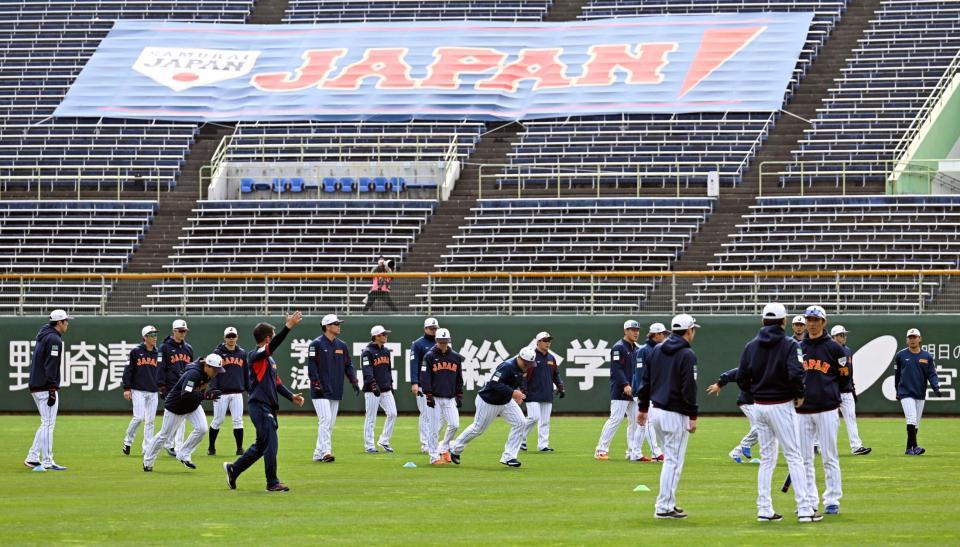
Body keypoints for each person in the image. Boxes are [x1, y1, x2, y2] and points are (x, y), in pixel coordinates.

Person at [736, 303, 819, 523]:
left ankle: (764, 508)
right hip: (781, 405)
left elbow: (742, 378)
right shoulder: (790, 344)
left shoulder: (750, 346)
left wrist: (755, 391)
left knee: (766, 459)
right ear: (784, 321)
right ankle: (804, 509)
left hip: (760, 406)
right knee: (794, 456)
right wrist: (799, 393)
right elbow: (796, 372)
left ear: (763, 321)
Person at [224, 312, 306, 492]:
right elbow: (273, 346)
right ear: (268, 338)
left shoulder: (269, 359)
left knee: (262, 446)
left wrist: (291, 396)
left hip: (267, 406)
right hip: (259, 405)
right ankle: (272, 482)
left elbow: (277, 383)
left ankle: (234, 468)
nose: (275, 338)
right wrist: (288, 327)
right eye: (273, 335)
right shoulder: (255, 355)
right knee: (271, 442)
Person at [637, 314, 700, 519]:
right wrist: (693, 414)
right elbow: (688, 387)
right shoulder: (687, 355)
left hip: (656, 410)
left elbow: (645, 381)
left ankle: (668, 502)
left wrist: (643, 408)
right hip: (675, 413)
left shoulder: (656, 350)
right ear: (689, 330)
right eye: (693, 329)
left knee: (669, 460)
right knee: (673, 461)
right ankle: (663, 507)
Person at [797, 305, 849, 516]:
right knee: (804, 458)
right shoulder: (797, 347)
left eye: (816, 320)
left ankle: (832, 499)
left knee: (829, 455)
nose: (812, 323)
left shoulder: (835, 348)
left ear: (823, 322)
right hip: (802, 410)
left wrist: (836, 398)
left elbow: (845, 377)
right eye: (809, 319)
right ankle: (809, 500)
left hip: (827, 408)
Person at [449, 347, 536, 467]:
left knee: (520, 422)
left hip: (505, 401)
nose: (528, 366)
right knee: (478, 429)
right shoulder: (506, 366)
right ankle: (455, 448)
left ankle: (509, 457)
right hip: (488, 400)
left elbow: (518, 380)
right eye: (526, 363)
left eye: (530, 364)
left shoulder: (523, 367)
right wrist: (513, 393)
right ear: (520, 358)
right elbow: (494, 383)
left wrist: (518, 392)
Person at [143, 354, 224, 471]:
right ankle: (147, 462)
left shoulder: (207, 372)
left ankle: (183, 454)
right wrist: (205, 395)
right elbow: (186, 394)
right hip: (176, 406)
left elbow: (197, 392)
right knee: (164, 435)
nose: (217, 373)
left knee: (202, 429)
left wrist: (204, 395)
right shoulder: (193, 374)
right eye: (215, 370)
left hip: (192, 405)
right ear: (207, 366)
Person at [307, 313, 360, 462]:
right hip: (320, 390)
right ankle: (326, 452)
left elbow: (348, 365)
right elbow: (312, 366)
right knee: (325, 420)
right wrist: (315, 382)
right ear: (327, 326)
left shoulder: (342, 345)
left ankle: (317, 453)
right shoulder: (316, 344)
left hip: (336, 389)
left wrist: (354, 380)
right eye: (336, 324)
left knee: (329, 424)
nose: (339, 326)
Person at [24, 309, 72, 471]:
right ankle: (47, 461)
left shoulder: (45, 334)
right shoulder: (53, 339)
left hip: (37, 385)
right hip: (45, 386)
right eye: (66, 321)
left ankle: (32, 456)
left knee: (45, 423)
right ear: (59, 323)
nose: (68, 323)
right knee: (48, 423)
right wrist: (52, 388)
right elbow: (50, 365)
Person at [595, 320, 641, 461]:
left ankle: (631, 451)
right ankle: (600, 450)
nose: (636, 332)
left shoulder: (636, 348)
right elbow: (616, 369)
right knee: (616, 419)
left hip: (633, 390)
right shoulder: (618, 347)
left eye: (637, 330)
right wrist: (625, 384)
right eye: (632, 330)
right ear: (625, 331)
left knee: (634, 421)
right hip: (620, 390)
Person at [894, 328, 942, 455]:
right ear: (906, 340)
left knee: (916, 423)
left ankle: (909, 449)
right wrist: (897, 391)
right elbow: (897, 374)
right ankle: (915, 446)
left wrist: (936, 387)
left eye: (915, 337)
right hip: (905, 392)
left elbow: (932, 374)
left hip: (920, 393)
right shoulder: (901, 355)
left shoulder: (927, 356)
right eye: (910, 337)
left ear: (920, 339)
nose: (912, 339)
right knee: (911, 418)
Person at [420, 328, 464, 465]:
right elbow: (425, 376)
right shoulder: (429, 356)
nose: (443, 344)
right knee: (434, 428)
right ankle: (433, 457)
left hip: (450, 397)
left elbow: (459, 377)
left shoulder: (455, 357)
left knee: (455, 425)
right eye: (441, 341)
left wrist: (459, 393)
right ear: (436, 341)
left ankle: (444, 447)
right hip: (435, 397)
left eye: (445, 341)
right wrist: (428, 394)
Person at [830, 325, 871, 456]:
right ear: (834, 337)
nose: (844, 337)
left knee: (851, 418)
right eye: (841, 335)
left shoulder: (848, 350)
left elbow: (849, 372)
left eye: (844, 334)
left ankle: (856, 447)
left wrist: (852, 387)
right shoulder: (828, 350)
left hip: (846, 391)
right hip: (832, 391)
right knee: (827, 420)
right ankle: (816, 445)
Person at [521, 331, 565, 453]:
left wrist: (560, 385)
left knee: (545, 421)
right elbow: (523, 374)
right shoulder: (531, 356)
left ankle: (543, 445)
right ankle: (521, 439)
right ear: (538, 342)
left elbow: (556, 374)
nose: (548, 343)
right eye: (545, 340)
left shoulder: (551, 358)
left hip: (547, 393)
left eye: (549, 340)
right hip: (532, 393)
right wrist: (523, 389)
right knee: (533, 418)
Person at [208, 326, 249, 456]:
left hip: (237, 392)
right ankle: (211, 447)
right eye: (229, 336)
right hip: (221, 393)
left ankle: (239, 448)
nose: (231, 338)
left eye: (233, 336)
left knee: (238, 420)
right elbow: (213, 372)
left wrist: (249, 388)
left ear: (237, 337)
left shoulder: (242, 353)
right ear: (225, 338)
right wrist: (214, 389)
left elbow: (245, 373)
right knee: (217, 420)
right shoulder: (217, 353)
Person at [157, 319, 194, 457]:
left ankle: (177, 446)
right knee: (171, 420)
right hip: (171, 387)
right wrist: (161, 386)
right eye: (180, 331)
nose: (183, 333)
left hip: (184, 387)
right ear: (174, 331)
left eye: (184, 331)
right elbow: (160, 368)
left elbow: (192, 369)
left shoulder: (188, 348)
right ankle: (166, 444)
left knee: (181, 418)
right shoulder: (164, 347)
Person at [122, 325, 160, 456]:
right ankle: (128, 441)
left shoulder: (158, 353)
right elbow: (128, 370)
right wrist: (126, 388)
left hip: (153, 391)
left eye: (155, 334)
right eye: (151, 335)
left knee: (150, 420)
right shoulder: (136, 351)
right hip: (138, 389)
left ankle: (147, 448)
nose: (154, 337)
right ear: (145, 337)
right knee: (138, 418)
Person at [706, 367, 757, 464]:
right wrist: (718, 385)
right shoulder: (747, 368)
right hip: (747, 402)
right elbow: (728, 375)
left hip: (760, 403)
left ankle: (736, 453)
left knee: (763, 432)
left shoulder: (769, 369)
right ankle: (745, 444)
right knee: (760, 426)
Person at [631, 323, 666, 462]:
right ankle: (656, 452)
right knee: (649, 421)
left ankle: (635, 453)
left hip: (653, 391)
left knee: (642, 424)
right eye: (663, 333)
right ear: (656, 335)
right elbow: (640, 375)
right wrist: (642, 394)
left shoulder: (658, 349)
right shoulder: (644, 350)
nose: (664, 336)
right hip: (645, 392)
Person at [361, 325, 398, 453]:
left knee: (393, 413)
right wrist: (373, 384)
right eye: (383, 334)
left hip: (386, 388)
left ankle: (384, 440)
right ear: (376, 336)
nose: (386, 336)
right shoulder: (367, 352)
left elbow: (388, 369)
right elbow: (367, 371)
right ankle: (369, 445)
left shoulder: (386, 351)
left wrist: (391, 384)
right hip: (372, 390)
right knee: (371, 417)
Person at [409, 318, 439, 453]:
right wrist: (414, 383)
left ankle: (433, 441)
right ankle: (425, 444)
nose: (433, 330)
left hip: (438, 385)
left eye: (435, 328)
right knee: (426, 414)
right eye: (431, 328)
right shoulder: (418, 344)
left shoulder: (441, 343)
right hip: (422, 384)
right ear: (425, 328)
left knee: (438, 416)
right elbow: (414, 364)